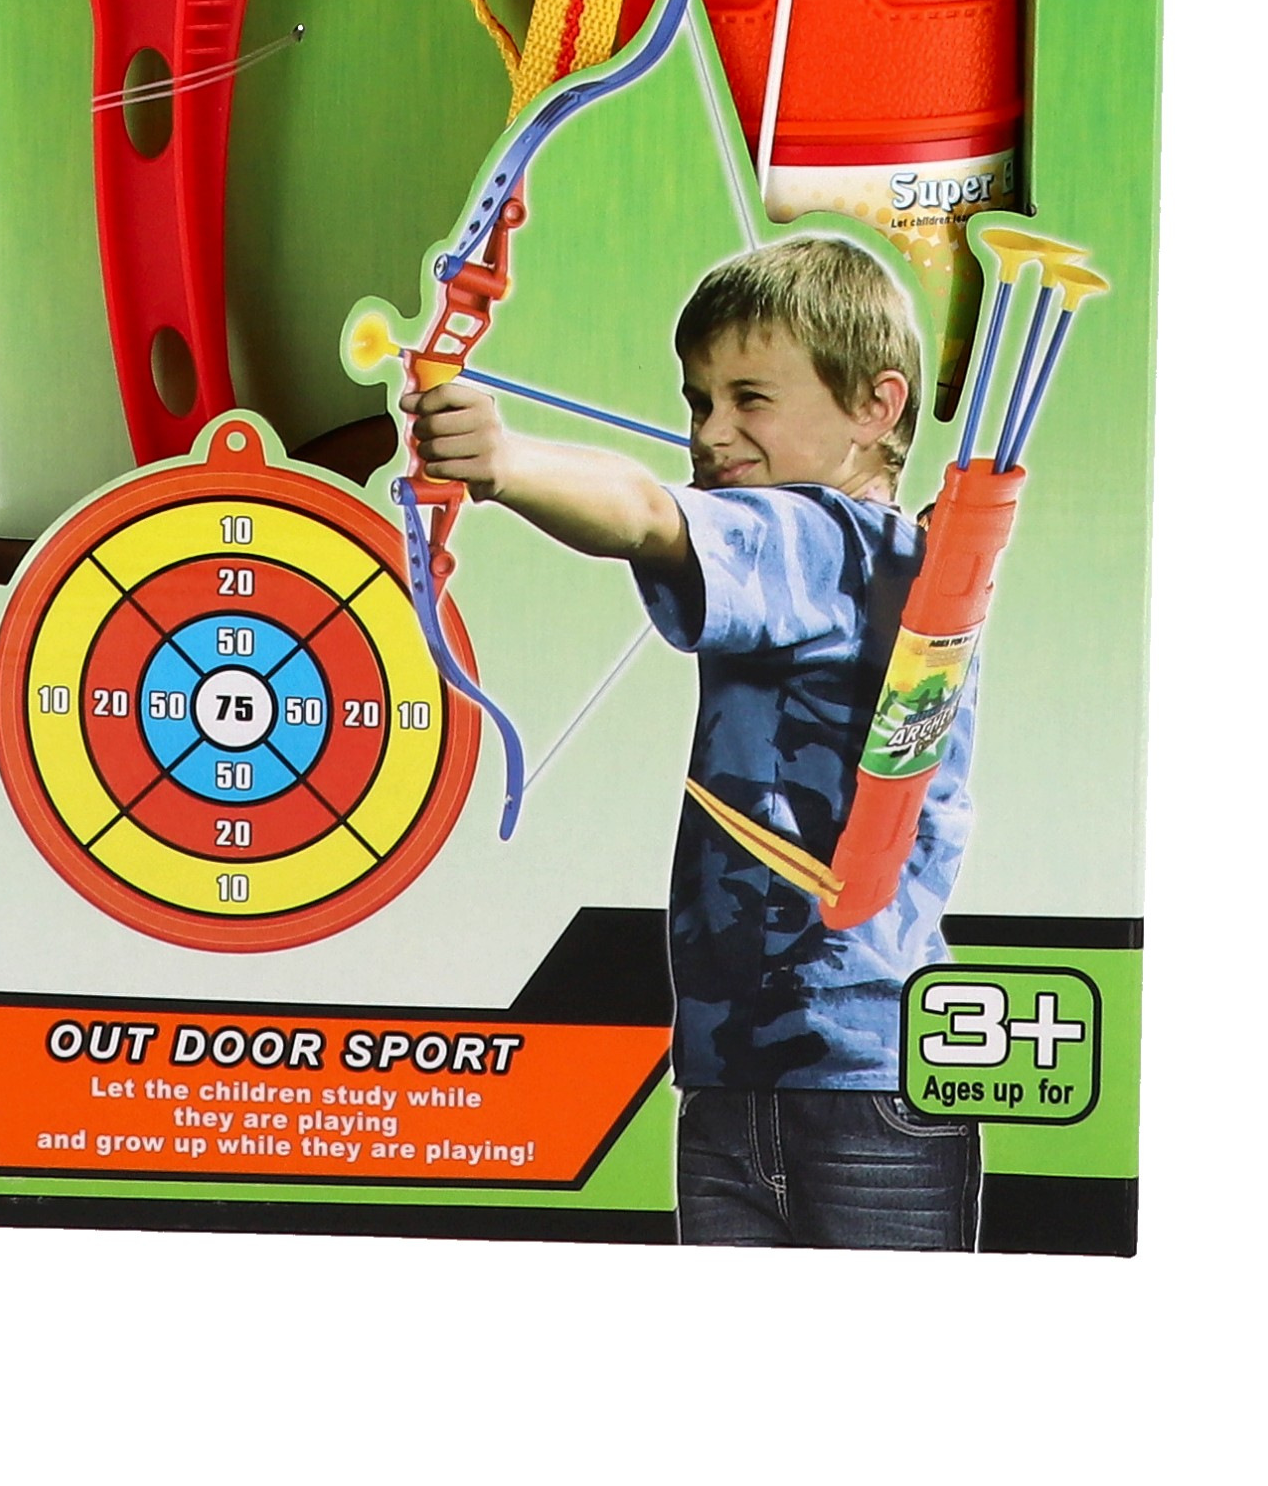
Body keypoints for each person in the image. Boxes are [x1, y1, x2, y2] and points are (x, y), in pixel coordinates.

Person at [401, 230, 983, 1251]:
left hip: (858, 1090)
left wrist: (504, 462)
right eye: (697, 401)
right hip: (735, 1074)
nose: (712, 432)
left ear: (876, 407)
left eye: (750, 398)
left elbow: (642, 512)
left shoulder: (829, 540)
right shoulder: (860, 555)